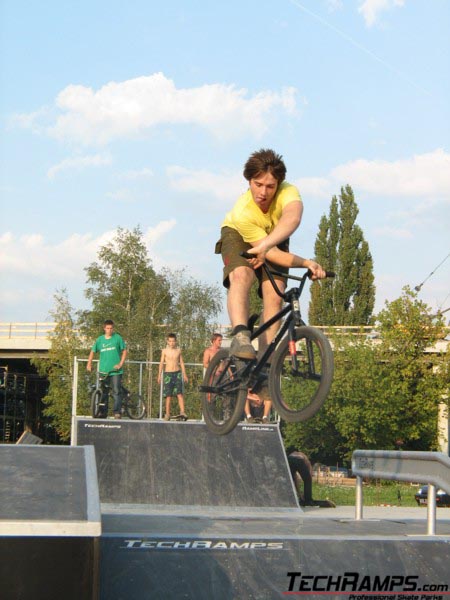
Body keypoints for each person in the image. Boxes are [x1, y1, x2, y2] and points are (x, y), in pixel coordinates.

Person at [216, 148, 326, 397]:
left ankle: (264, 367)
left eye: (270, 186)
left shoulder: (289, 191)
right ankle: (241, 335)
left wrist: (267, 246)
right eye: (258, 185)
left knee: (275, 297)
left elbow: (292, 219)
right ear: (249, 182)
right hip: (238, 235)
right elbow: (272, 254)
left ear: (279, 184)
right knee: (242, 275)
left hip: (273, 238)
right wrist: (303, 261)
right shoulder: (243, 211)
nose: (263, 193)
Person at [86, 320, 127, 419]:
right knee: (104, 391)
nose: (109, 330)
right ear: (104, 328)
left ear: (113, 328)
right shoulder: (100, 340)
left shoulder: (117, 338)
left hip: (115, 371)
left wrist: (120, 363)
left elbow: (124, 351)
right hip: (103, 371)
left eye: (111, 328)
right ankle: (102, 412)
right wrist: (89, 363)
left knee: (116, 391)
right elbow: (93, 351)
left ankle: (117, 412)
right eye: (107, 328)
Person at [158, 333, 188, 421]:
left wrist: (184, 374)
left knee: (179, 394)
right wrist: (159, 375)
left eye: (173, 341)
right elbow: (161, 363)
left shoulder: (178, 351)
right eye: (170, 341)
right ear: (167, 342)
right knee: (168, 395)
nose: (171, 343)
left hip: (177, 373)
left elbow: (181, 362)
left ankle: (182, 412)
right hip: (168, 374)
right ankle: (167, 414)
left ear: (175, 341)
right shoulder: (164, 351)